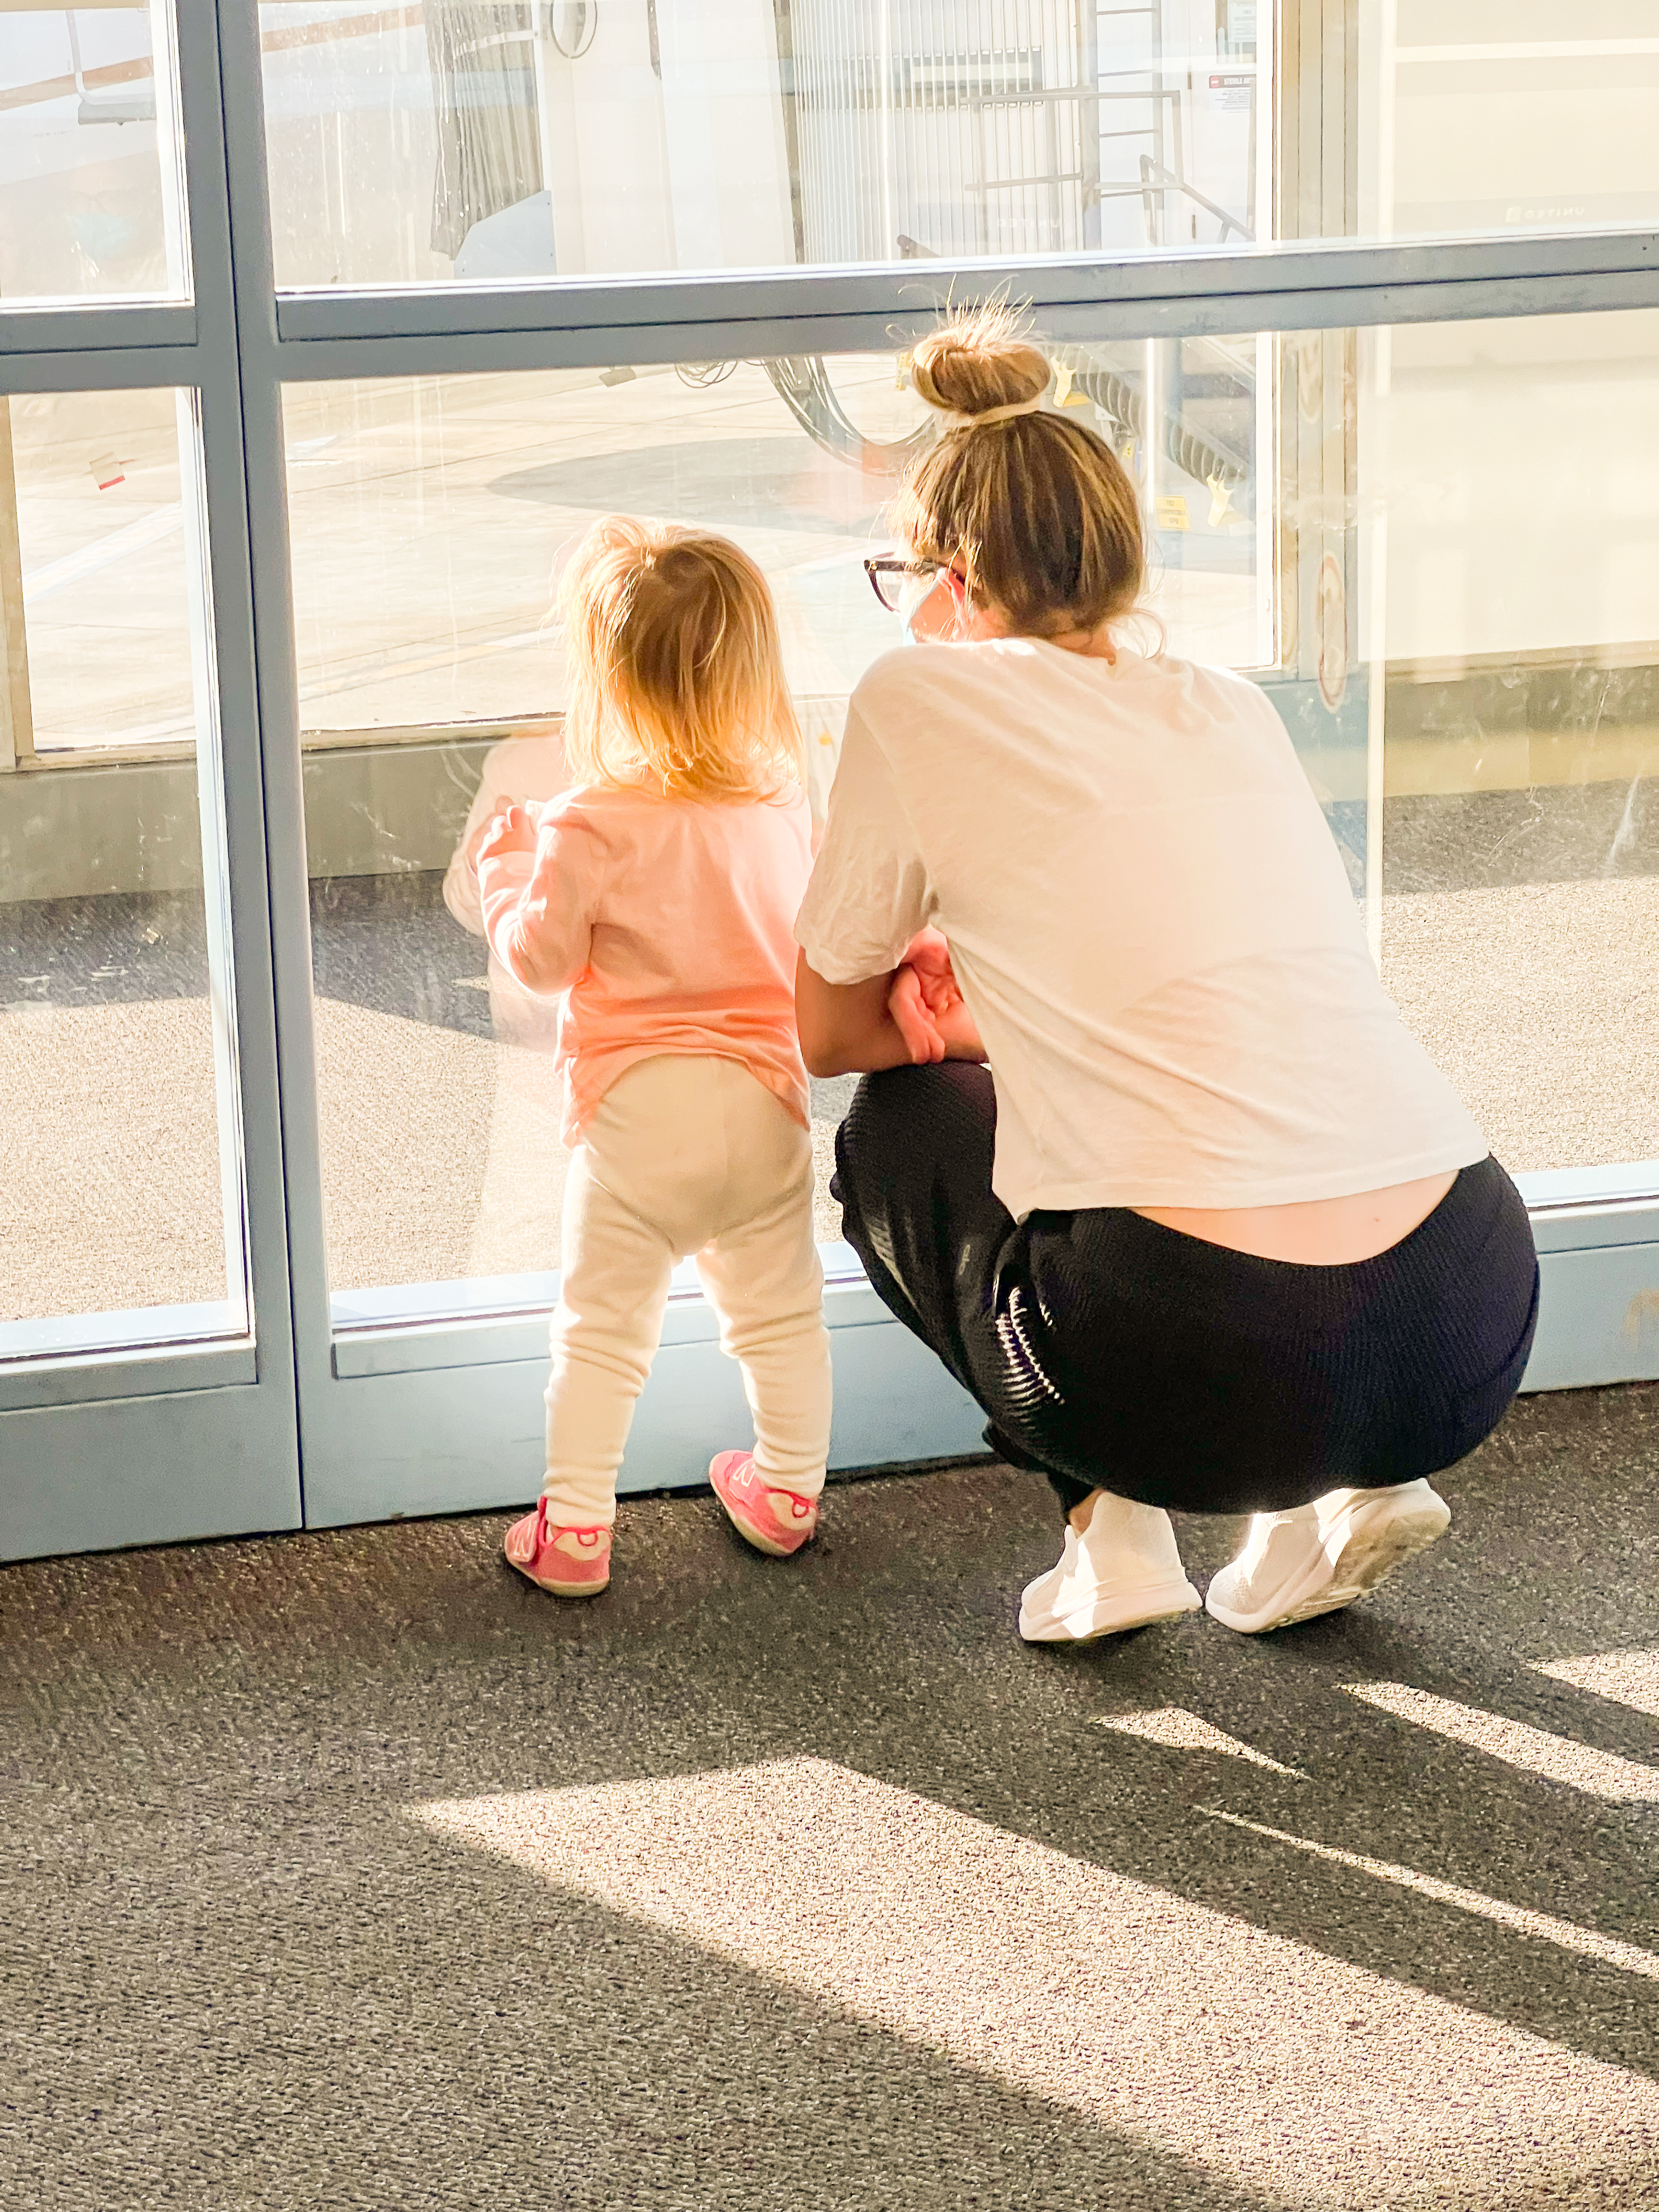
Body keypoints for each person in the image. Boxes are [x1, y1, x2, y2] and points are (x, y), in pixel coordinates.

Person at [793, 306, 1539, 1644]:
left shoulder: (921, 693)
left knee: (899, 1131)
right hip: (1470, 1312)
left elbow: (829, 1027)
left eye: (894, 573)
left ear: (950, 578)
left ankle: (1113, 1540)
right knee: (1225, 1146)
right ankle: (1354, 1485)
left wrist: (958, 1042)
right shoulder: (1226, 703)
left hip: (1197, 1362)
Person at [477, 517, 833, 1599]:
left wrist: (509, 874)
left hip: (637, 1118)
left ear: (608, 680)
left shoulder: (587, 820)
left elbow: (541, 964)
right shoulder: (779, 803)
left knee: (600, 1334)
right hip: (766, 1105)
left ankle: (577, 1529)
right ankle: (787, 1493)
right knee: (780, 1317)